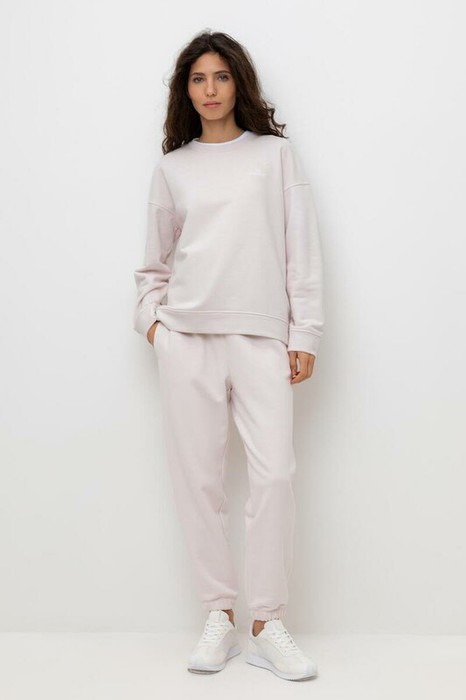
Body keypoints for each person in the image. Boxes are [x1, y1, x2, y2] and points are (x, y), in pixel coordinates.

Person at [133, 29, 324, 682]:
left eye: (220, 76)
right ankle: (219, 613)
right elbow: (151, 267)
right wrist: (157, 329)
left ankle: (267, 622)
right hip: (187, 340)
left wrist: (305, 334)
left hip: (260, 337)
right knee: (199, 482)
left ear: (238, 82)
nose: (210, 89)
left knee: (275, 476)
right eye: (198, 79)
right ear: (185, 91)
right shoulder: (173, 168)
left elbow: (302, 249)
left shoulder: (275, 156)